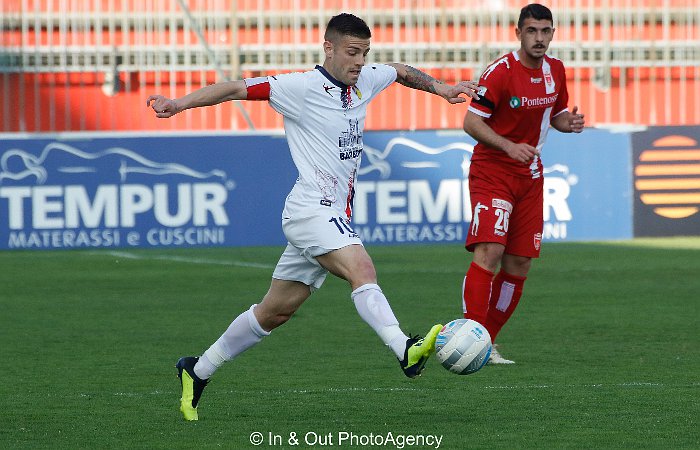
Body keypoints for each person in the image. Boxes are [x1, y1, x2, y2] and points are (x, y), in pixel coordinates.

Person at [147, 13, 479, 421]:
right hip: (310, 210)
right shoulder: (299, 87)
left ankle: (196, 371)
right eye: (352, 52)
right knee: (362, 269)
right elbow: (234, 87)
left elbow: (400, 71)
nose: (359, 61)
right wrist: (177, 104)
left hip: (331, 214)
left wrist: (442, 89)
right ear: (329, 48)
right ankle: (403, 348)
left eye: (364, 53)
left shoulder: (365, 81)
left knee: (275, 311)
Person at [461, 4, 584, 364]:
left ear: (553, 33)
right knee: (491, 252)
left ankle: (488, 344)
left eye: (546, 31)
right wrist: (508, 145)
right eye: (532, 31)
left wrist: (569, 123)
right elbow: (471, 122)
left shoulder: (556, 71)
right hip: (493, 170)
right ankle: (471, 335)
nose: (540, 38)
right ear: (518, 33)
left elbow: (556, 115)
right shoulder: (500, 72)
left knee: (519, 265)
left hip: (530, 175)